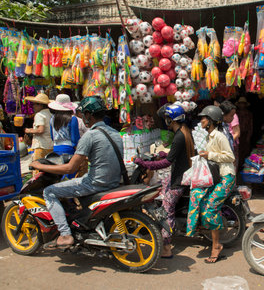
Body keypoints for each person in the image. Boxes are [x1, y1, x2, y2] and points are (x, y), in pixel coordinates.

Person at [29, 96, 123, 249]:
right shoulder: (114, 132)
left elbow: (69, 168)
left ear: (88, 115)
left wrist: (40, 166)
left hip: (96, 183)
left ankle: (65, 234)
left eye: (84, 114)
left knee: (50, 191)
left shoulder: (90, 135)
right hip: (113, 181)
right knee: (71, 185)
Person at [134, 104, 195, 258]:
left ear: (170, 120)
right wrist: (161, 154)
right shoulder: (184, 132)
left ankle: (166, 247)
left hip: (178, 180)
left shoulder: (179, 136)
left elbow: (167, 163)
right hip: (182, 175)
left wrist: (145, 163)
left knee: (166, 213)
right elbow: (174, 156)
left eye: (167, 119)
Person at [187, 105, 235, 264]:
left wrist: (210, 155)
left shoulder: (219, 136)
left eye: (204, 118)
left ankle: (217, 245)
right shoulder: (209, 137)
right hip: (214, 177)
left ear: (212, 120)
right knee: (197, 197)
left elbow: (230, 157)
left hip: (226, 177)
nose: (201, 120)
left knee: (210, 209)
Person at [24, 93, 53, 175]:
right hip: (50, 145)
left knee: (37, 169)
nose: (33, 106)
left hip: (41, 145)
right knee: (48, 169)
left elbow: (40, 130)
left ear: (40, 105)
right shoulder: (50, 114)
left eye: (35, 104)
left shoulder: (39, 115)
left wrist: (29, 131)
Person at [219, 100, 240, 168]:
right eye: (231, 116)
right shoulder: (220, 128)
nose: (233, 118)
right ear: (224, 115)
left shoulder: (226, 126)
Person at [236, 96, 252, 170]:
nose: (242, 105)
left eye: (243, 104)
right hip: (237, 134)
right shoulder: (236, 114)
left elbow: (250, 126)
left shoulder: (248, 114)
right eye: (240, 104)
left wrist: (248, 136)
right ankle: (238, 166)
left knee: (245, 151)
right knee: (238, 151)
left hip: (245, 134)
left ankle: (244, 166)